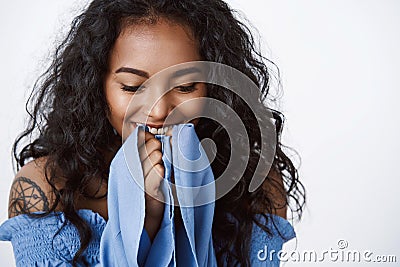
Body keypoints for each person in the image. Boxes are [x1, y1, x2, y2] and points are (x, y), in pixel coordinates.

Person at [0, 0, 305, 266]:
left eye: (185, 87)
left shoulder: (257, 186)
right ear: (96, 86)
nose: (159, 111)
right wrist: (143, 221)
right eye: (132, 87)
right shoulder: (46, 189)